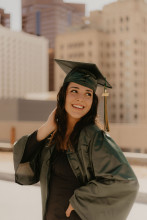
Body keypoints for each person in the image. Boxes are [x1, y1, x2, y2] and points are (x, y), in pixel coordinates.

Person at [13, 59, 139, 220]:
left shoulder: (95, 139)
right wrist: (47, 127)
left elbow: (126, 182)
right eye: (74, 91)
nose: (81, 98)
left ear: (93, 101)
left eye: (88, 93)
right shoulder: (54, 137)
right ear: (63, 95)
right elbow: (24, 163)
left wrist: (79, 200)